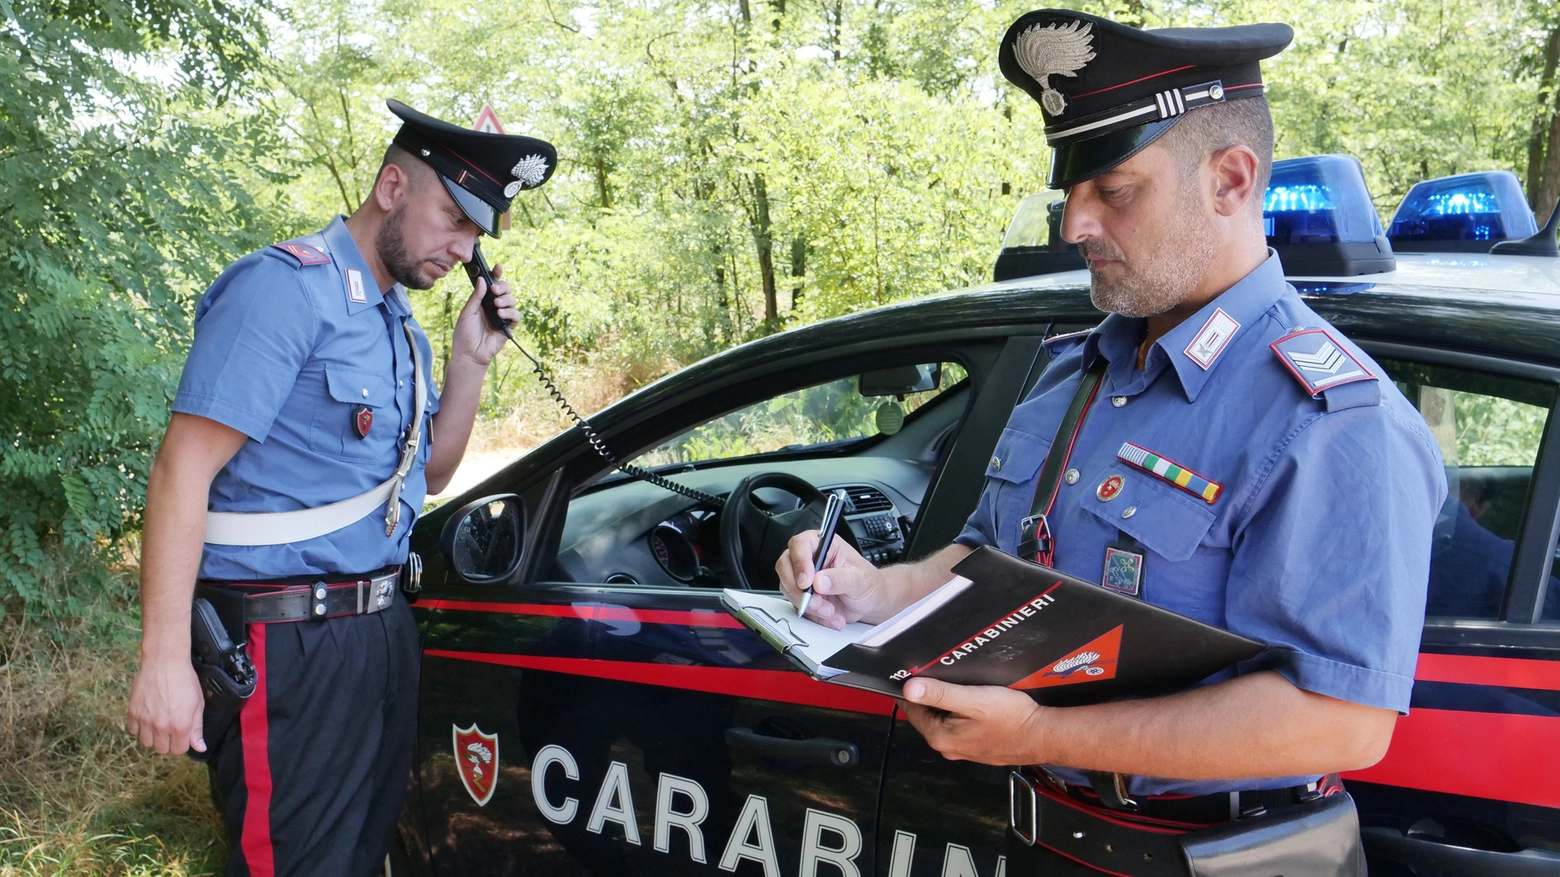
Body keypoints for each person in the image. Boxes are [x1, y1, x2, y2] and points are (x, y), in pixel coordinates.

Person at [776, 10, 1446, 876]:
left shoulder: (1331, 419)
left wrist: (1046, 732)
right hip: (1044, 839)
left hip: (1224, 859)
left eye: (1115, 191)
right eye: (1072, 193)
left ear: (1231, 181)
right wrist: (874, 591)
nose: (1074, 225)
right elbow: (991, 561)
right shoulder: (1083, 372)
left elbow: (1342, 721)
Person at [124, 99, 556, 876]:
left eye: (477, 238)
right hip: (284, 643)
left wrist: (471, 361)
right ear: (393, 187)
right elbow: (179, 469)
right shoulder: (285, 291)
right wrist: (164, 659)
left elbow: (425, 477)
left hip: (377, 633)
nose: (465, 250)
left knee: (358, 859)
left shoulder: (403, 327)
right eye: (454, 219)